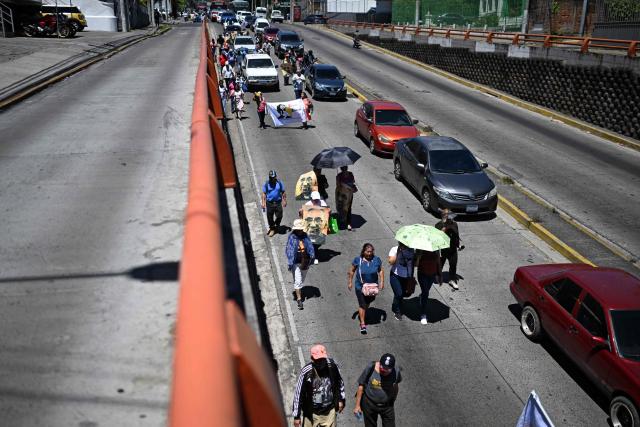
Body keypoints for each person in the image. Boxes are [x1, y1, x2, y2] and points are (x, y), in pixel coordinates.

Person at [292, 344, 346, 427]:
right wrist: (297, 416)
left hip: (329, 412)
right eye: (318, 360)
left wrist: (341, 399)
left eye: (322, 359)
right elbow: (298, 394)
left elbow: (339, 382)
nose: (321, 362)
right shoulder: (306, 371)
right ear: (312, 359)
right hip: (312, 414)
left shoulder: (332, 365)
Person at [353, 353, 402, 427]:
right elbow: (361, 386)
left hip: (387, 406)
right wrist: (357, 406)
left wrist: (393, 399)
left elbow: (396, 386)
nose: (384, 371)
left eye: (387, 370)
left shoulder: (396, 371)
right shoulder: (371, 367)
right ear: (379, 363)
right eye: (382, 367)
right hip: (369, 404)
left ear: (392, 368)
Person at [348, 243, 384, 335]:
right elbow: (352, 271)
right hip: (360, 287)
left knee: (368, 302)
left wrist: (382, 282)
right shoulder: (358, 260)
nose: (369, 254)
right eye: (367, 252)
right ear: (363, 251)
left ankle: (363, 312)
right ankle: (362, 324)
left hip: (372, 287)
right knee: (362, 304)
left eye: (371, 252)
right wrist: (350, 282)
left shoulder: (376, 260)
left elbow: (380, 270)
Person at [286, 219, 315, 310]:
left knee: (302, 279)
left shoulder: (305, 236)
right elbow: (289, 250)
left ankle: (298, 289)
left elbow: (310, 246)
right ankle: (299, 299)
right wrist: (290, 263)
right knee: (298, 281)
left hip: (305, 262)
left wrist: (312, 256)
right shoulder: (292, 238)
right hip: (296, 263)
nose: (300, 231)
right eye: (299, 229)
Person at [435, 208, 461, 290]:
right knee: (440, 264)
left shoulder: (454, 224)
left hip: (452, 249)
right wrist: (443, 230)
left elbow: (456, 236)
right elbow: (436, 237)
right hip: (443, 248)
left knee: (453, 265)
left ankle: (452, 279)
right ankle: (438, 276)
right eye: (447, 214)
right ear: (443, 216)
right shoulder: (438, 225)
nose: (450, 216)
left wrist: (458, 245)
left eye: (450, 214)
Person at [387, 243, 415, 320]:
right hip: (395, 275)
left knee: (406, 294)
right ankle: (397, 311)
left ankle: (398, 301)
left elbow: (415, 264)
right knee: (399, 293)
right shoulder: (394, 249)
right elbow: (390, 262)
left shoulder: (412, 251)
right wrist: (398, 253)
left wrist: (418, 256)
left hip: (407, 277)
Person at [415, 250, 442, 324]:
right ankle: (423, 314)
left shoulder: (436, 249)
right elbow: (416, 264)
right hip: (422, 274)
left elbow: (438, 262)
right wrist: (418, 257)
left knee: (426, 291)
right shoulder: (420, 249)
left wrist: (440, 275)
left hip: (432, 274)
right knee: (426, 292)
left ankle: (422, 297)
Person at [262, 170, 286, 237]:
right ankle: (272, 229)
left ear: (275, 177)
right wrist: (263, 203)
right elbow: (264, 193)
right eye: (271, 178)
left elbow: (283, 192)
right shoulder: (266, 184)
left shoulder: (279, 183)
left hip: (278, 202)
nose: (272, 179)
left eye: (274, 177)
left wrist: (284, 200)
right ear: (269, 178)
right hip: (270, 203)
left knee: (280, 215)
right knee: (270, 217)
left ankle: (276, 225)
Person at [335, 166, 356, 230]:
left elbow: (338, 186)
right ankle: (345, 221)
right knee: (345, 207)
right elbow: (353, 181)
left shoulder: (341, 175)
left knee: (345, 208)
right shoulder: (348, 174)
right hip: (345, 195)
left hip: (345, 195)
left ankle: (345, 221)